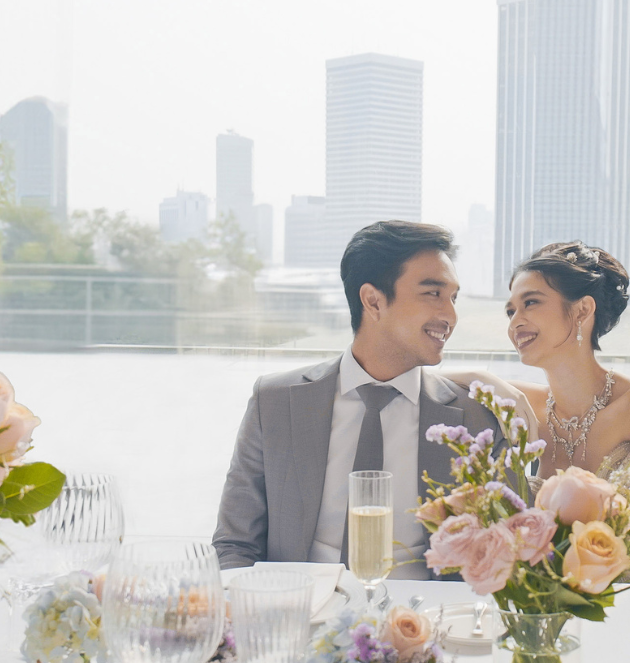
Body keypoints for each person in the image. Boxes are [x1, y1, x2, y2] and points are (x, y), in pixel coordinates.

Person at [211, 221, 505, 578]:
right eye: (433, 294)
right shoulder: (274, 403)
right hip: (299, 619)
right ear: (373, 301)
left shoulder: (476, 420)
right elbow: (235, 545)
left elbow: (495, 560)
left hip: (424, 624)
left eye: (453, 298)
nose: (450, 315)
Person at [500, 242, 630, 489]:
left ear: (582, 310)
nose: (515, 323)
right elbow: (436, 385)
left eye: (531, 303)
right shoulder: (522, 403)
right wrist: (476, 375)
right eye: (510, 312)